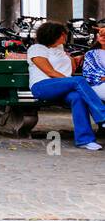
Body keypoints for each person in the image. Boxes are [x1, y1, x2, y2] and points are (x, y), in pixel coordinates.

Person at [26, 20, 105, 150]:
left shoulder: (60, 49)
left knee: (77, 98)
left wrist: (75, 59)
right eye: (64, 34)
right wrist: (71, 82)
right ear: (57, 35)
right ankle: (102, 117)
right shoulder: (36, 49)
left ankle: (84, 140)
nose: (66, 36)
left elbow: (69, 70)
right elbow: (50, 72)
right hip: (42, 87)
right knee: (78, 81)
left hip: (63, 88)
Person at [83, 26, 105, 102]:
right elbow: (89, 75)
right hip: (98, 85)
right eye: (101, 35)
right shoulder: (91, 54)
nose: (103, 38)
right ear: (97, 37)